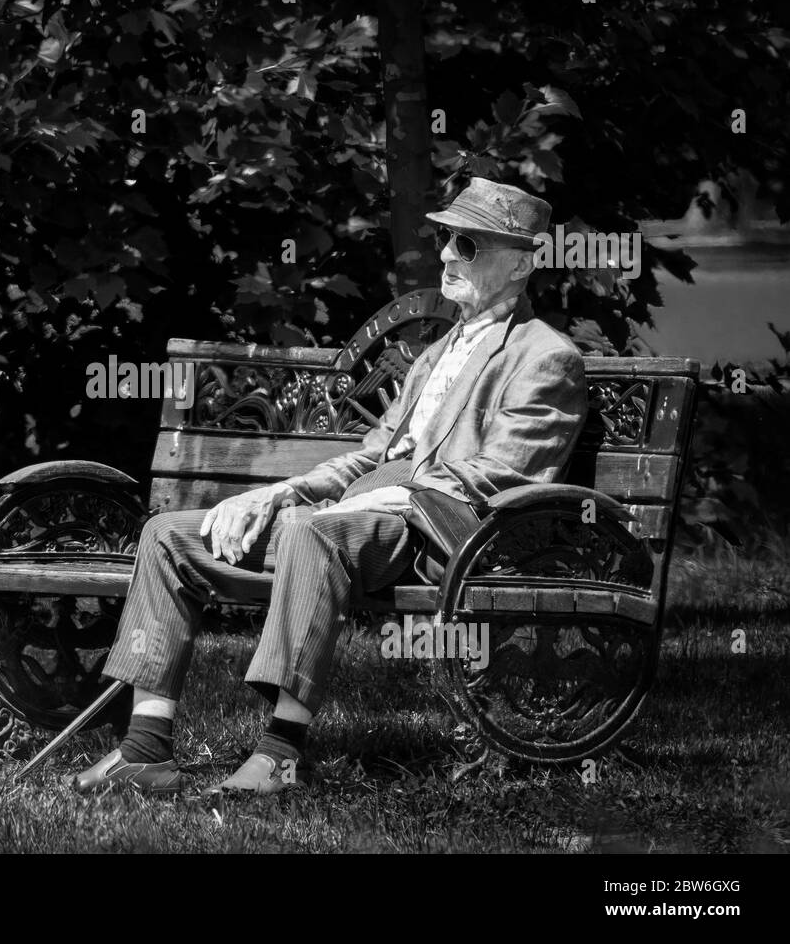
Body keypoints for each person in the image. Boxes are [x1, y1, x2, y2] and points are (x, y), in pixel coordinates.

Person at [73, 177, 589, 795]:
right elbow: (370, 456)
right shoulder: (437, 353)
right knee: (168, 537)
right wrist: (278, 493)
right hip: (361, 517)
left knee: (314, 531)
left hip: (437, 533)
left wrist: (390, 495)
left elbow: (503, 475)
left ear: (521, 263)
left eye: (468, 245)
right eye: (448, 238)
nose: (447, 254)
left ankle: (280, 753)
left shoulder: (544, 357)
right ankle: (145, 748)